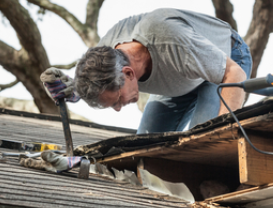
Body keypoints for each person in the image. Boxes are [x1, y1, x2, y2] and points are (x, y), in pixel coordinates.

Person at [41, 8, 252, 134]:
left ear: (129, 73)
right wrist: (70, 89)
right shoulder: (104, 57)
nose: (118, 109)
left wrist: (223, 135)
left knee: (204, 138)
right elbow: (93, 85)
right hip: (181, 73)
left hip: (226, 60)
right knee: (143, 148)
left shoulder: (171, 40)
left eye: (116, 101)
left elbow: (234, 74)